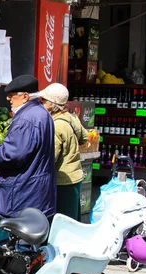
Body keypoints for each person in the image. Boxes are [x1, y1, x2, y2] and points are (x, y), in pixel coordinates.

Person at [0, 74, 57, 220]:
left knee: (22, 240)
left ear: (25, 96)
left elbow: (11, 155)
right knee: (33, 239)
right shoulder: (42, 113)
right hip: (37, 195)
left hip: (24, 196)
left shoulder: (26, 119)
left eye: (11, 95)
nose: (8, 99)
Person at [38, 83, 88, 221]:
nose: (41, 104)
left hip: (63, 181)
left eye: (43, 101)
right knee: (72, 219)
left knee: (63, 222)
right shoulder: (71, 118)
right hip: (75, 176)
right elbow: (84, 137)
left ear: (52, 105)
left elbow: (51, 157)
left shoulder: (56, 125)